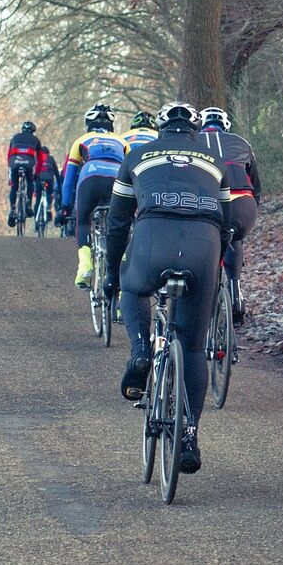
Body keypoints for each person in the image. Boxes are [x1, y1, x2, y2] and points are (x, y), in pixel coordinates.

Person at [104, 101, 231, 474]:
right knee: (192, 347)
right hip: (202, 245)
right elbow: (224, 226)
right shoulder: (214, 160)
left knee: (133, 287)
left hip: (151, 239)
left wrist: (113, 274)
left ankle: (141, 352)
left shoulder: (137, 155)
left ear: (161, 129)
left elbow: (116, 222)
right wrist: (213, 271)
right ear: (194, 131)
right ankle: (189, 434)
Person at [199, 107, 261, 327]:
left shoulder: (194, 142)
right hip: (244, 202)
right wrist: (252, 211)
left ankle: (204, 295)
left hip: (210, 202)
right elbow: (256, 185)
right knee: (235, 237)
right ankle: (235, 293)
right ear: (225, 126)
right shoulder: (242, 142)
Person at [61, 104, 127, 288]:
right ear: (111, 126)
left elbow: (69, 179)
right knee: (123, 225)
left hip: (90, 177)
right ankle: (122, 278)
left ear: (88, 123)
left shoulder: (81, 140)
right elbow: (132, 173)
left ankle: (85, 266)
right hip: (116, 179)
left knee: (83, 221)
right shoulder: (122, 142)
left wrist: (65, 207)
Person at [6, 121, 42, 227]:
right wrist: (37, 173)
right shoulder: (35, 140)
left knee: (14, 187)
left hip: (14, 162)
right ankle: (28, 205)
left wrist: (10, 169)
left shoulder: (15, 137)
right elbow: (39, 159)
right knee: (30, 182)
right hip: (28, 163)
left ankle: (12, 208)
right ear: (33, 131)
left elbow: (9, 155)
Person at [34, 146, 60, 222]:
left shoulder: (36, 158)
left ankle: (36, 221)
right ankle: (48, 208)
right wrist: (59, 183)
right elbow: (56, 172)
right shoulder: (51, 158)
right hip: (49, 180)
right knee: (49, 193)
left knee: (38, 200)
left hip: (39, 180)